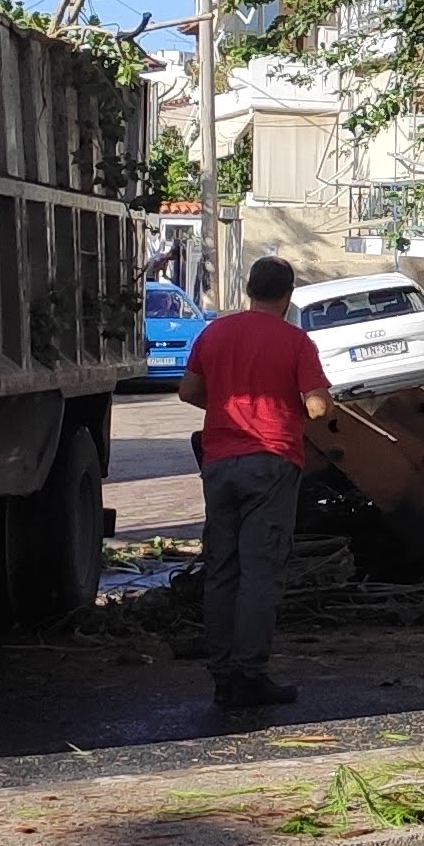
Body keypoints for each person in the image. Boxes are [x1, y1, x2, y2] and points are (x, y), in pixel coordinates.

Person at [180, 254, 333, 712]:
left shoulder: (214, 333)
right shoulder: (296, 342)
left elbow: (189, 391)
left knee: (222, 570)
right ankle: (249, 675)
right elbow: (318, 407)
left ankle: (222, 678)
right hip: (271, 462)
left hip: (219, 464)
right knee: (260, 573)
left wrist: (225, 408)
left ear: (249, 290)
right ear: (287, 296)